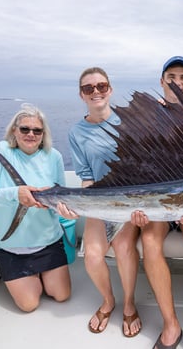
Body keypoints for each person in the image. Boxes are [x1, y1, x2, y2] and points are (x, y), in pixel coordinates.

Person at [131, 56, 183, 349]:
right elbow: (137, 167)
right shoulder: (146, 118)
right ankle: (171, 324)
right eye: (171, 76)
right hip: (157, 201)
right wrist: (139, 209)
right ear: (161, 81)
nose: (177, 81)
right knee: (150, 239)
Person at [60, 67, 142, 337]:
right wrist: (83, 206)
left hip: (130, 201)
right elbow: (85, 178)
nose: (96, 91)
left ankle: (129, 303)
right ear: (81, 95)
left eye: (101, 86)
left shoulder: (128, 123)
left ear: (110, 89)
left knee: (123, 248)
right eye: (88, 88)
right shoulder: (77, 132)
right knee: (92, 255)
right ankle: (109, 301)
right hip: (99, 200)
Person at [0, 103, 71, 312]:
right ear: (14, 131)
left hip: (48, 243)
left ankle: (39, 274)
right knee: (29, 304)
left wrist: (61, 209)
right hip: (10, 248)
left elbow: (61, 196)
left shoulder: (55, 157)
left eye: (37, 130)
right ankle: (27, 275)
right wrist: (15, 194)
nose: (31, 134)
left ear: (43, 134)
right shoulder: (1, 151)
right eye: (25, 129)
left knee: (62, 295)